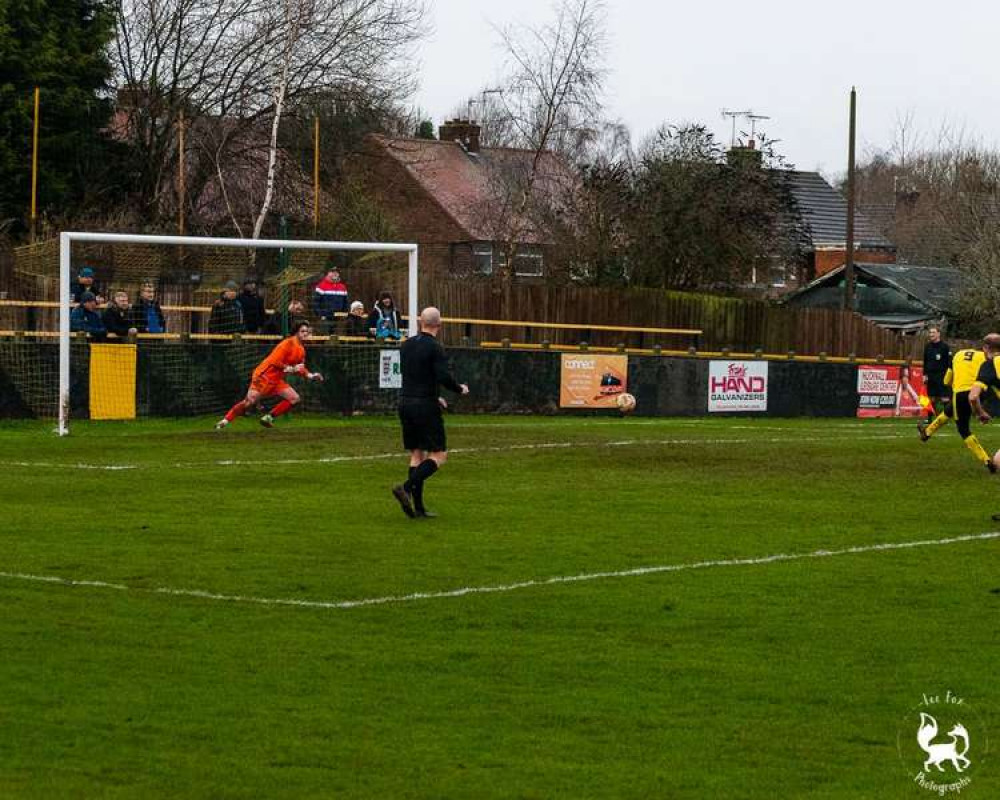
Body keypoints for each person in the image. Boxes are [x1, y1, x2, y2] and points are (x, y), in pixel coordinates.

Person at [391, 307, 469, 519]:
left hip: (405, 403)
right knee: (439, 454)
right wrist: (459, 389)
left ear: (419, 322)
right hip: (424, 406)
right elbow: (442, 376)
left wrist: (434, 395)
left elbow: (416, 375)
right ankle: (405, 487)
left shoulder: (406, 345)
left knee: (417, 454)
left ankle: (418, 508)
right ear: (439, 325)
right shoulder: (435, 347)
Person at [216, 320, 324, 430]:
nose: (305, 333)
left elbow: (300, 367)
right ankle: (223, 422)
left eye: (307, 331)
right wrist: (290, 369)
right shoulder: (287, 343)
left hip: (276, 379)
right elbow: (275, 361)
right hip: (264, 376)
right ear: (296, 332)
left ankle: (268, 418)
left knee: (294, 398)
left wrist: (311, 375)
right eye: (302, 331)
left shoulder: (301, 349)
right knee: (249, 402)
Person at [919, 333, 1000, 473]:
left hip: (962, 393)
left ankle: (987, 460)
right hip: (980, 391)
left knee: (963, 429)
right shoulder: (983, 358)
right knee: (949, 410)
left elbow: (947, 381)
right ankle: (927, 432)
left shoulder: (958, 356)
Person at [922, 326, 951, 420]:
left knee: (944, 397)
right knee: (931, 398)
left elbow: (949, 362)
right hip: (930, 376)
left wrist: (948, 375)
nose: (931, 334)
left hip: (942, 375)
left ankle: (946, 417)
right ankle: (929, 418)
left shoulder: (944, 347)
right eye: (930, 333)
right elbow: (925, 361)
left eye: (933, 332)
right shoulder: (928, 346)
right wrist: (924, 374)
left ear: (938, 334)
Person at [313, 267, 349, 331]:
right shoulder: (321, 286)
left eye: (337, 272)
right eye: (332, 272)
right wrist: (320, 315)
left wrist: (344, 314)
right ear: (328, 273)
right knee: (325, 338)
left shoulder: (343, 287)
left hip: (339, 319)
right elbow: (315, 303)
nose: (335, 273)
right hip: (325, 318)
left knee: (339, 339)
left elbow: (346, 303)